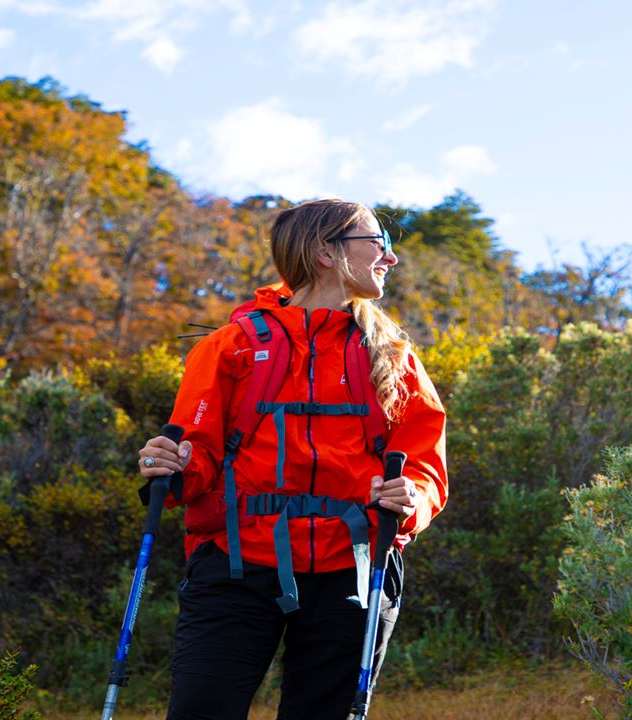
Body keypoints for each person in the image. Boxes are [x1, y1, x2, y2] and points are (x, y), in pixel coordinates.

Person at [137, 198, 448, 720]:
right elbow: (198, 454)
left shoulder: (393, 354)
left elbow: (424, 465)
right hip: (236, 565)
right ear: (327, 251)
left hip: (353, 569)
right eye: (379, 242)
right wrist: (173, 463)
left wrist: (410, 497)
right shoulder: (230, 347)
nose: (390, 258)